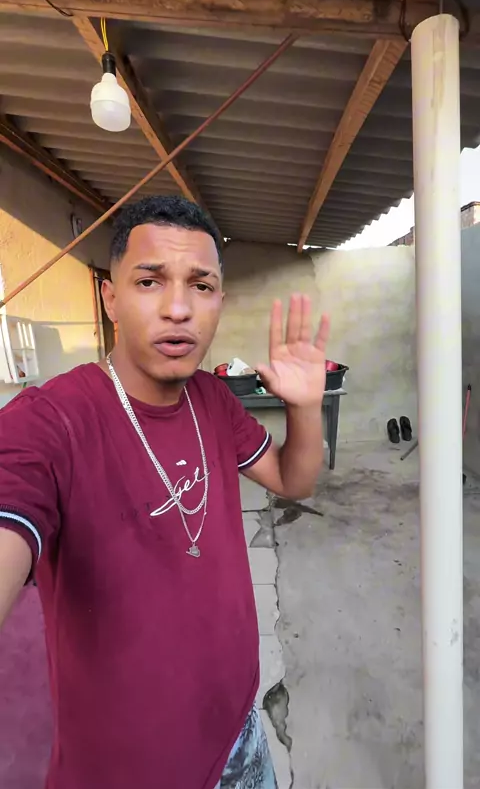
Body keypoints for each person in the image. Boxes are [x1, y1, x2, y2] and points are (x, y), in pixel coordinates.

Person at [0, 195, 329, 789]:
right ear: (111, 298)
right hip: (130, 769)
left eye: (201, 286)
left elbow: (292, 479)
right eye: (150, 281)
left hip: (240, 731)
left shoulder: (213, 399)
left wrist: (305, 407)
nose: (179, 309)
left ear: (219, 301)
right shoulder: (49, 422)